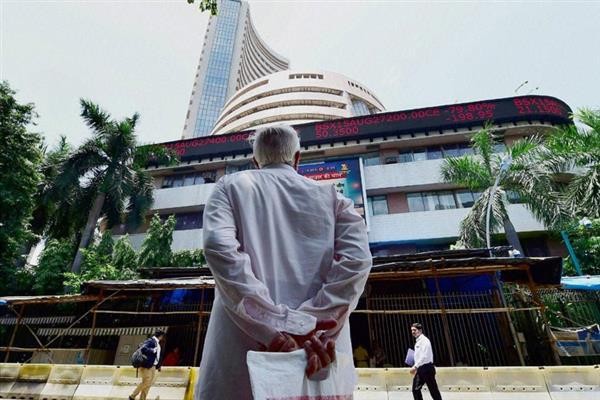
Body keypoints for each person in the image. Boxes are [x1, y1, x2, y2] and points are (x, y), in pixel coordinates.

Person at [196, 124, 372, 399]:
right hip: (318, 350)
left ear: (255, 161)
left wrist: (275, 327)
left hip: (240, 356)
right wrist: (308, 325)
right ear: (297, 158)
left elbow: (219, 249)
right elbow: (357, 262)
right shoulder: (335, 199)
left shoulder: (229, 187)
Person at [410, 323, 442, 400]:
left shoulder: (425, 341)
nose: (413, 332)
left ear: (420, 330)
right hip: (420, 369)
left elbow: (425, 356)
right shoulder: (418, 341)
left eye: (414, 330)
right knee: (415, 389)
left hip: (427, 368)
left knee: (433, 390)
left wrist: (415, 366)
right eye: (412, 330)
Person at [129, 330, 164, 400]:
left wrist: (158, 365)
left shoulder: (157, 343)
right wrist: (152, 350)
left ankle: (142, 398)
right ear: (161, 336)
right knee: (146, 382)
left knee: (149, 384)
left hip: (153, 366)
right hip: (147, 366)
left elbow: (157, 356)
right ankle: (132, 396)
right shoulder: (151, 341)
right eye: (162, 336)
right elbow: (143, 348)